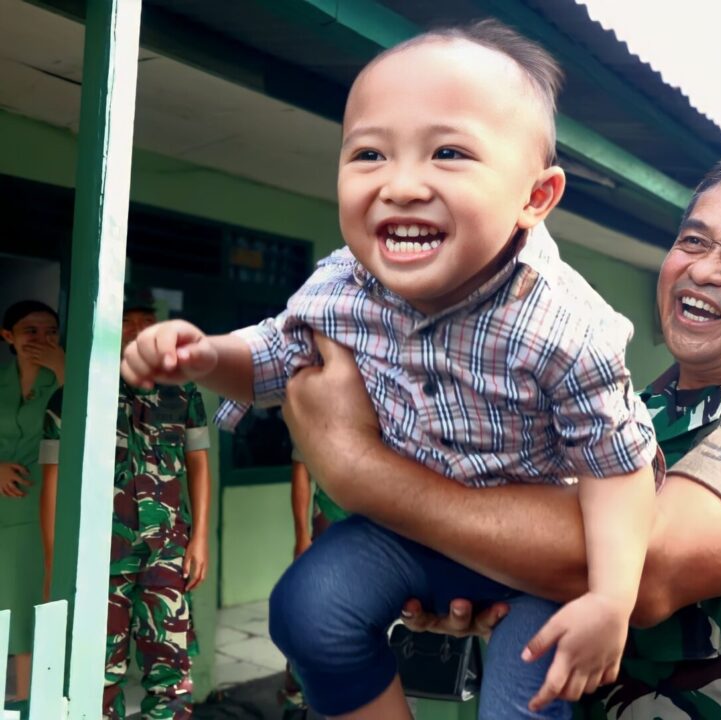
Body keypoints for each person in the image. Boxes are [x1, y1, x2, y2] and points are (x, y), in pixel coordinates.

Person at [119, 20, 659, 720]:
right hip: (402, 539)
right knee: (307, 610)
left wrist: (611, 600)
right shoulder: (340, 287)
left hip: (534, 549)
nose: (401, 185)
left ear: (536, 197)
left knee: (530, 689)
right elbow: (274, 361)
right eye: (369, 154)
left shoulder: (565, 326)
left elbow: (617, 464)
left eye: (449, 153)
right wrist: (204, 355)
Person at [280, 148, 721, 720]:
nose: (705, 270)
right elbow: (528, 535)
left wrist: (358, 469)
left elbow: (645, 567)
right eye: (693, 242)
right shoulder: (630, 410)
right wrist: (474, 574)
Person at [39, 288, 211, 720]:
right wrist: (54, 561)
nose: (136, 330)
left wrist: (201, 538)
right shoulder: (74, 395)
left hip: (168, 549)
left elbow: (198, 465)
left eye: (145, 321)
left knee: (171, 669)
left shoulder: (183, 390)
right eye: (126, 321)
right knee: (96, 673)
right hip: (100, 555)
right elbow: (53, 483)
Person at [0, 300, 63, 709]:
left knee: (25, 611)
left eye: (50, 332)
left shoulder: (63, 383)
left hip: (39, 512)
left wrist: (64, 367)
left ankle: (26, 704)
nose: (41, 340)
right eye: (30, 331)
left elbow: (91, 420)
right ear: (8, 337)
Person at [278, 446, 348, 720]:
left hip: (374, 530)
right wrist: (302, 536)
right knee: (308, 617)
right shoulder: (318, 403)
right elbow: (301, 468)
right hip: (328, 527)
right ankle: (296, 700)